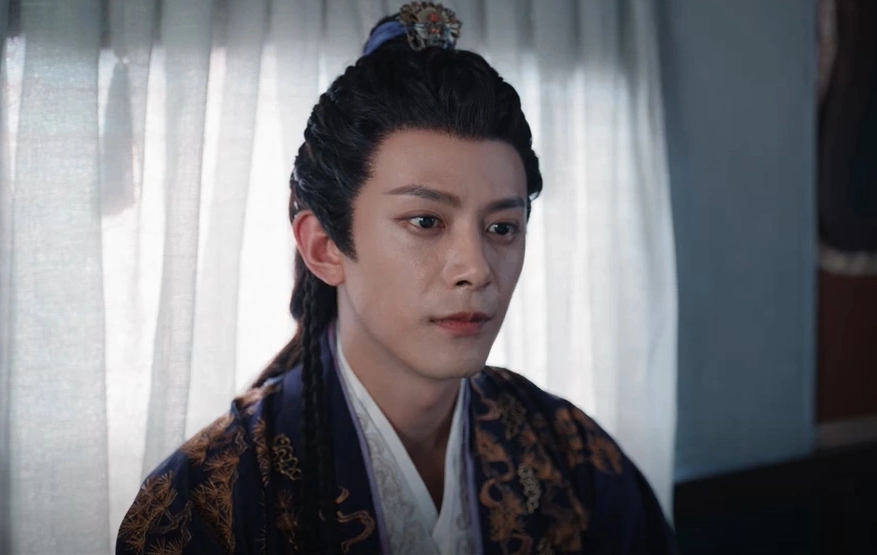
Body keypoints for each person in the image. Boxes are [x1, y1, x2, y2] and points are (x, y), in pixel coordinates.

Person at [116, 3, 678, 554]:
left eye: (502, 228)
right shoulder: (207, 503)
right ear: (324, 247)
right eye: (426, 221)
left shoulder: (571, 455)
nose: (477, 269)